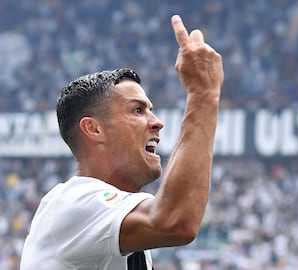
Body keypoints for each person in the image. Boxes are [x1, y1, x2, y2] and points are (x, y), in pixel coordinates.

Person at [20, 14, 223, 270]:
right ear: (93, 129)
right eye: (137, 111)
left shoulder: (117, 226)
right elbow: (176, 221)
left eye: (150, 110)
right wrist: (203, 93)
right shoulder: (74, 203)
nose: (157, 122)